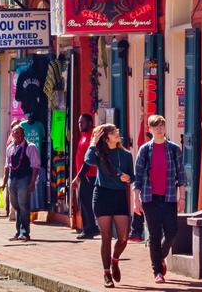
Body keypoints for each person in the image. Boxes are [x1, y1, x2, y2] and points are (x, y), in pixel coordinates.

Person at [133, 115, 187, 283]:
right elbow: (138, 177)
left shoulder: (173, 149)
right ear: (149, 129)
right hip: (150, 199)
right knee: (154, 235)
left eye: (161, 125)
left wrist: (182, 198)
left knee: (172, 232)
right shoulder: (144, 150)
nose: (159, 129)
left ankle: (160, 256)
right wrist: (136, 200)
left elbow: (181, 175)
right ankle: (157, 271)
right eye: (155, 126)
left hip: (169, 197)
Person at [85, 123, 135, 288]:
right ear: (106, 138)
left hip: (119, 196)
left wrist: (128, 178)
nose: (117, 133)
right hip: (102, 195)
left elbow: (133, 177)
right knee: (106, 236)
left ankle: (115, 260)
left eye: (116, 131)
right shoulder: (99, 153)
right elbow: (88, 160)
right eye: (113, 132)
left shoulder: (126, 155)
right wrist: (93, 142)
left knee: (123, 237)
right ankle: (106, 273)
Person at [2, 125, 39, 241]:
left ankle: (24, 232)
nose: (16, 135)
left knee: (23, 205)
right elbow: (7, 166)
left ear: (23, 134)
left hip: (24, 179)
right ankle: (18, 231)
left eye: (18, 133)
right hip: (12, 180)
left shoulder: (30, 147)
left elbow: (35, 166)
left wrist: (33, 182)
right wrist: (4, 181)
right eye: (14, 133)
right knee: (16, 205)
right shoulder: (10, 148)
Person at [72, 113, 99, 240]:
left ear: (89, 122)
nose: (79, 125)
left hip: (90, 175)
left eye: (82, 122)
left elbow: (89, 160)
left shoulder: (93, 137)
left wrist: (78, 176)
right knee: (83, 202)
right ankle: (91, 227)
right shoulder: (83, 136)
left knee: (86, 203)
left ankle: (88, 230)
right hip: (83, 176)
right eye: (78, 122)